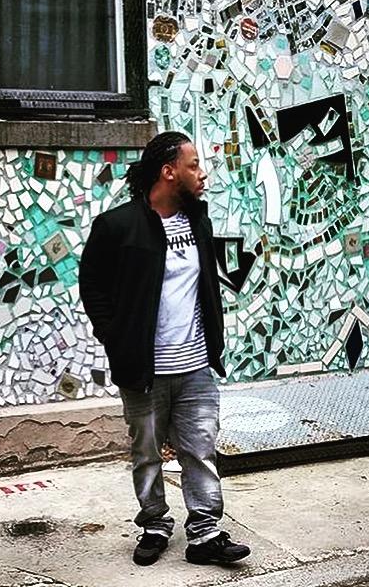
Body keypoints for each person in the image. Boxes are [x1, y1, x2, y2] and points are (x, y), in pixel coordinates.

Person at [79, 131, 251, 566]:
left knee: (200, 450)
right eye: (194, 165)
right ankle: (155, 525)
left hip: (195, 365)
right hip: (145, 369)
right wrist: (115, 337)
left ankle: (205, 534)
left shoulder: (198, 222)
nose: (202, 174)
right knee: (147, 455)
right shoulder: (118, 226)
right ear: (168, 172)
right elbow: (92, 285)